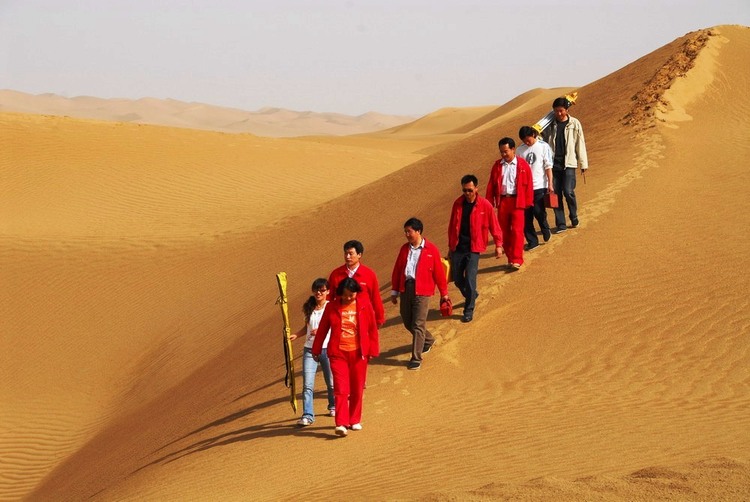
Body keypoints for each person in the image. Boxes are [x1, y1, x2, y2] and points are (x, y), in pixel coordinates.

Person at [312, 277, 379, 437]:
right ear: (340, 293)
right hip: (338, 353)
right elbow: (322, 329)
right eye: (346, 295)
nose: (349, 298)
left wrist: (373, 350)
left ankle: (354, 419)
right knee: (341, 389)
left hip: (359, 353)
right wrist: (316, 348)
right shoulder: (332, 307)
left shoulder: (364, 305)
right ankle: (341, 423)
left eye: (352, 294)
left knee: (357, 387)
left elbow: (372, 328)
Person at [390, 217, 451, 370]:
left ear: (418, 231)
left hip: (422, 291)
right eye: (405, 232)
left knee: (418, 324)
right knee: (407, 321)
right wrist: (394, 290)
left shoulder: (431, 250)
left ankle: (416, 358)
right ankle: (428, 340)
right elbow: (398, 270)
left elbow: (438, 273)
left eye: (409, 231)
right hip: (406, 289)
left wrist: (444, 293)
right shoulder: (404, 249)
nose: (406, 234)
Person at [448, 174, 504, 323]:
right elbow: (452, 226)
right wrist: (450, 247)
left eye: (470, 190)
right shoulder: (457, 204)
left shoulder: (485, 205)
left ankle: (469, 309)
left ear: (476, 188)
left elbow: (495, 226)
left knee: (470, 280)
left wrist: (498, 245)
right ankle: (472, 295)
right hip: (458, 248)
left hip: (474, 248)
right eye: (464, 190)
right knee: (458, 279)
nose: (467, 193)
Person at [289, 278, 335, 426]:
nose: (319, 293)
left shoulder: (332, 307)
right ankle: (308, 415)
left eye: (322, 290)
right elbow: (307, 328)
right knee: (307, 385)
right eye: (316, 290)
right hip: (309, 349)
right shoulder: (310, 307)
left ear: (328, 291)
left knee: (331, 382)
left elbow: (336, 327)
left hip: (328, 348)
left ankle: (333, 405)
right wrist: (296, 334)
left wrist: (322, 331)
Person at [486, 137, 534, 269]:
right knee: (504, 232)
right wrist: (489, 204)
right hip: (503, 202)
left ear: (513, 149)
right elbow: (491, 186)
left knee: (518, 231)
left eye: (506, 151)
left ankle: (518, 259)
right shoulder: (497, 166)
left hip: (517, 202)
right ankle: (511, 258)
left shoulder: (523, 164)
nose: (503, 154)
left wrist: (528, 202)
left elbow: (529, 184)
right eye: (501, 152)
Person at [544, 96, 588, 233]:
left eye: (561, 111)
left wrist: (583, 163)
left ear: (567, 110)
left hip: (569, 163)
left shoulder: (574, 123)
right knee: (556, 195)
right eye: (556, 111)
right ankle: (561, 224)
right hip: (553, 164)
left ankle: (574, 216)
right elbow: (542, 140)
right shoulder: (550, 125)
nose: (558, 113)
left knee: (568, 192)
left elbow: (580, 143)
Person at [328, 240, 385, 327]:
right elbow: (329, 297)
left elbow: (375, 298)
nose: (347, 257)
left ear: (359, 255)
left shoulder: (369, 274)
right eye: (345, 253)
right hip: (341, 319)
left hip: (363, 319)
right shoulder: (335, 274)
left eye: (351, 254)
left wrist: (379, 319)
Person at [517, 126, 554, 249]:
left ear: (534, 134)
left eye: (529, 140)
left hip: (540, 186)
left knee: (539, 212)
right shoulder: (519, 151)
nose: (527, 143)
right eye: (524, 141)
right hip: (524, 188)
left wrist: (550, 184)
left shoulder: (543, 146)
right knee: (526, 217)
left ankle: (545, 228)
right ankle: (532, 241)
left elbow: (548, 166)